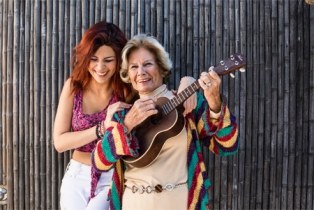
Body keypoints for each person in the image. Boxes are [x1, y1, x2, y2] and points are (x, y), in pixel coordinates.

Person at [53, 22, 197, 210]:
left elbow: (157, 96)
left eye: (108, 60)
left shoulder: (127, 91)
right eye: (94, 59)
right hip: (77, 173)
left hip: (111, 174)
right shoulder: (74, 87)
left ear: (120, 61)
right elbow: (60, 142)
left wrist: (189, 81)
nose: (100, 67)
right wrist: (102, 128)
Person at [91, 34, 239, 210]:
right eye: (134, 67)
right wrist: (127, 125)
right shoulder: (122, 114)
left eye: (147, 64)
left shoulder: (188, 102)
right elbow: (99, 162)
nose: (141, 72)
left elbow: (227, 146)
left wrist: (214, 102)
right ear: (128, 75)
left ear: (161, 68)